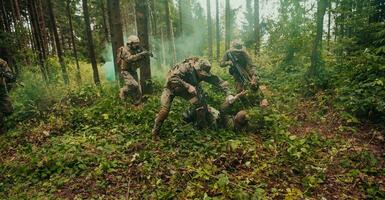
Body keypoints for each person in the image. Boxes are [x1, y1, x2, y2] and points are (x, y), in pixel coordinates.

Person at [151, 57, 231, 139]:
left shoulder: (203, 74)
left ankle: (200, 129)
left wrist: (228, 94)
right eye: (201, 73)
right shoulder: (185, 67)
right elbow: (172, 78)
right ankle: (155, 133)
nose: (202, 76)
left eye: (204, 74)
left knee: (200, 105)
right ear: (197, 69)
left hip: (185, 92)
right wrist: (187, 86)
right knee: (164, 110)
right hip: (171, 89)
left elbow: (218, 81)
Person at [117, 35, 152, 105]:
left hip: (133, 70)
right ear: (130, 43)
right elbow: (129, 59)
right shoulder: (125, 50)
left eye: (137, 43)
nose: (136, 45)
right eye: (135, 44)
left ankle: (137, 104)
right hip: (126, 71)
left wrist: (146, 54)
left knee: (138, 90)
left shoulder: (135, 49)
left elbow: (139, 55)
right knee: (134, 85)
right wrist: (141, 54)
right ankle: (123, 91)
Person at [0, 58, 15, 134]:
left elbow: (10, 74)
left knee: (8, 109)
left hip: (1, 88)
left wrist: (4, 73)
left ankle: (10, 128)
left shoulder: (1, 62)